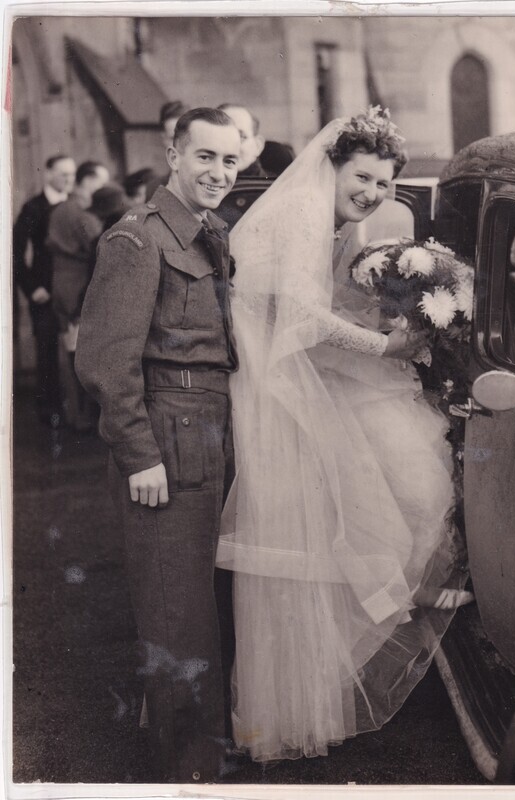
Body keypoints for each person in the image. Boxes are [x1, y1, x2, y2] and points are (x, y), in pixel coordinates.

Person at [215, 108, 471, 762]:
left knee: (348, 523)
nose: (373, 193)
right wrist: (387, 347)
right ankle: (288, 711)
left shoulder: (330, 220)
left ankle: (312, 699)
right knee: (333, 527)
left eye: (384, 184)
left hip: (293, 370)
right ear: (331, 165)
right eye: (363, 177)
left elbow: (315, 310)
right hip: (275, 387)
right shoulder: (302, 211)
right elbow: (301, 316)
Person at [75, 108, 241, 783]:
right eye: (205, 157)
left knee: (200, 605)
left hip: (208, 430)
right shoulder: (136, 239)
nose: (218, 173)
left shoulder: (211, 234)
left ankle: (204, 751)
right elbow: (105, 362)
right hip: (167, 440)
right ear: (173, 154)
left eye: (230, 161)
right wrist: (139, 454)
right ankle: (189, 771)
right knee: (177, 616)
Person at [13, 153, 76, 425]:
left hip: (72, 291)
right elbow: (13, 253)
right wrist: (31, 288)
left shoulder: (75, 206)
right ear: (48, 174)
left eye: (72, 175)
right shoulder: (33, 208)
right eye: (63, 174)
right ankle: (50, 409)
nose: (68, 180)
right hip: (45, 291)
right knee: (47, 350)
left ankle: (77, 410)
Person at [46, 160, 109, 431]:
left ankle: (76, 416)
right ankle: (86, 418)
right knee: (83, 354)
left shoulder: (61, 210)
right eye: (101, 181)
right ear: (87, 181)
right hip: (79, 287)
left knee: (71, 350)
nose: (105, 187)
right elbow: (100, 244)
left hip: (61, 284)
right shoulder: (81, 214)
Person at [215, 104, 267, 230]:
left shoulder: (274, 192)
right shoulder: (194, 193)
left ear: (258, 145)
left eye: (240, 137)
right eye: (221, 137)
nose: (230, 147)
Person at [145, 100, 190, 200]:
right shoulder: (154, 189)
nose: (178, 145)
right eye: (172, 138)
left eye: (183, 137)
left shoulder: (208, 182)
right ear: (163, 138)